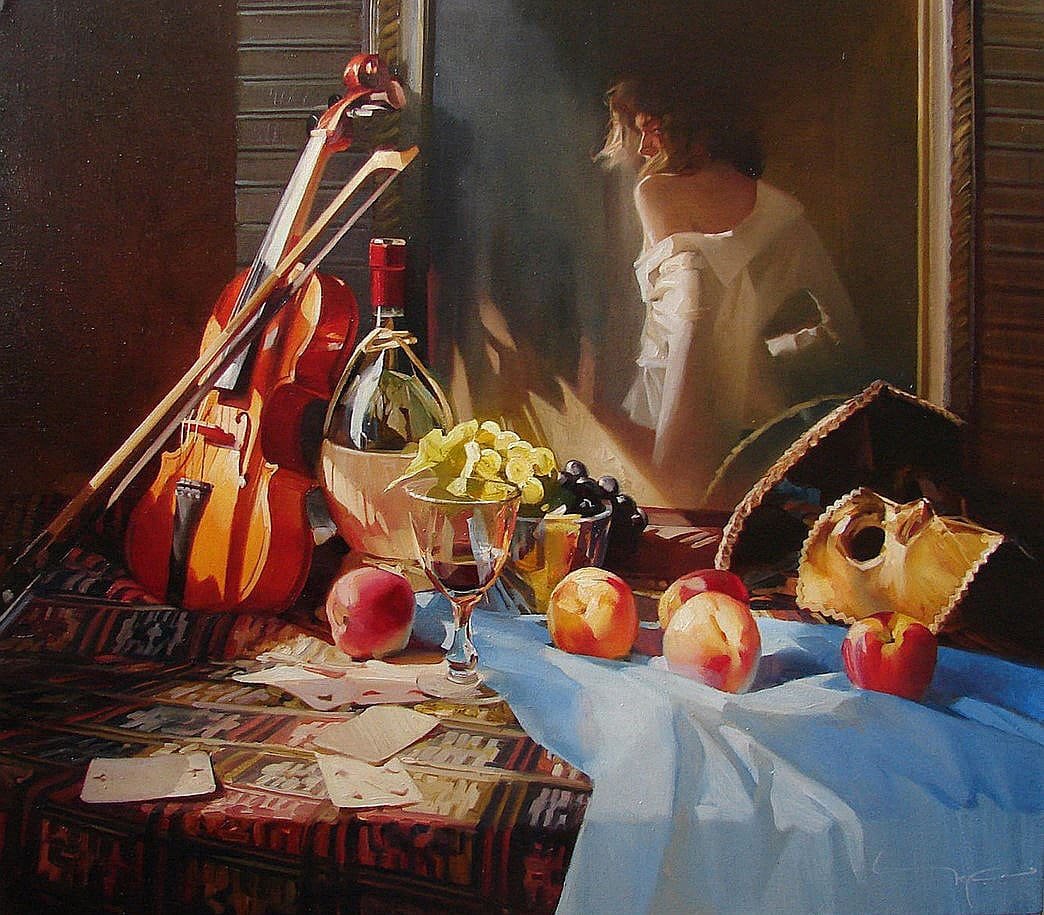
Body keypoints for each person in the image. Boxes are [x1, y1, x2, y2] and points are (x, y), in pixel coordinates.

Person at [597, 73, 869, 507]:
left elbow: (686, 321)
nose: (644, 148)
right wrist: (762, 352)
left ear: (693, 127)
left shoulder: (655, 192)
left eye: (653, 130)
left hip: (674, 416)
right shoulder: (785, 215)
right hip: (755, 416)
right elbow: (843, 331)